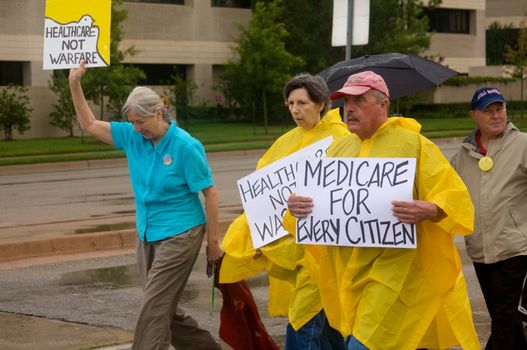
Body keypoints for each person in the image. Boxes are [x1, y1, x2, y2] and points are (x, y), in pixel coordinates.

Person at [288, 71, 481, 349]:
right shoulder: (338, 150)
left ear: (383, 105)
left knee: (364, 344)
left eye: (359, 100)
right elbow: (314, 199)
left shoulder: (414, 145)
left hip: (396, 270)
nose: (349, 108)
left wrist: (430, 209)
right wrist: (297, 206)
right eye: (345, 102)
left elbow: (453, 197)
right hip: (351, 272)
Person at [68, 61, 223, 350]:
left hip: (182, 233)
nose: (136, 128)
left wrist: (213, 244)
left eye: (140, 122)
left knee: (153, 307)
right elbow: (88, 123)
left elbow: (210, 195)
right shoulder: (132, 136)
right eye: (132, 122)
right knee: (163, 308)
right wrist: (74, 84)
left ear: (158, 113)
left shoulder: (185, 146)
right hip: (148, 233)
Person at [219, 73, 350, 349]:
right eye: (290, 103)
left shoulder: (342, 139)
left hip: (327, 255)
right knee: (326, 330)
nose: (295, 109)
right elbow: (263, 197)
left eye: (302, 102)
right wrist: (255, 238)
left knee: (303, 325)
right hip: (297, 255)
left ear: (322, 103)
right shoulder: (286, 141)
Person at [451, 87, 527, 350]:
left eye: (500, 109)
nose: (496, 116)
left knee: (505, 316)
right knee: (504, 317)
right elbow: (446, 194)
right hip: (480, 250)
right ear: (474, 115)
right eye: (488, 111)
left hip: (515, 248)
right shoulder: (461, 156)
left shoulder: (523, 144)